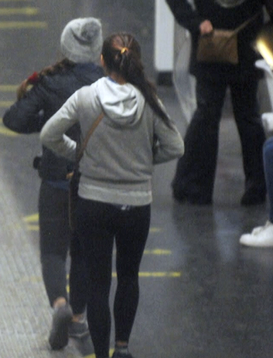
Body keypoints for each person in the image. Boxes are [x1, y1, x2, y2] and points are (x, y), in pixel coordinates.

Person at [40, 32, 184, 358]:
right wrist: (143, 163)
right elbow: (176, 145)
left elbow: (50, 133)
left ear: (102, 60)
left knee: (98, 282)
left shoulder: (86, 97)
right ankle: (123, 348)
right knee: (129, 277)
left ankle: (101, 354)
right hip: (136, 205)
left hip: (94, 202)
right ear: (137, 60)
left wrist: (78, 152)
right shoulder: (149, 101)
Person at [3, 18, 105, 350]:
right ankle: (77, 320)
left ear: (65, 45)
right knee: (84, 253)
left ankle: (60, 305)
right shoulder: (108, 84)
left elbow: (14, 119)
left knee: (53, 251)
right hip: (93, 181)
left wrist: (47, 123)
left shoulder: (50, 82)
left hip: (56, 181)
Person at [165, 0, 267, 206]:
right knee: (248, 118)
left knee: (206, 117)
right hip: (246, 48)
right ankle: (258, 187)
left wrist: (197, 23)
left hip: (211, 49)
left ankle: (194, 187)